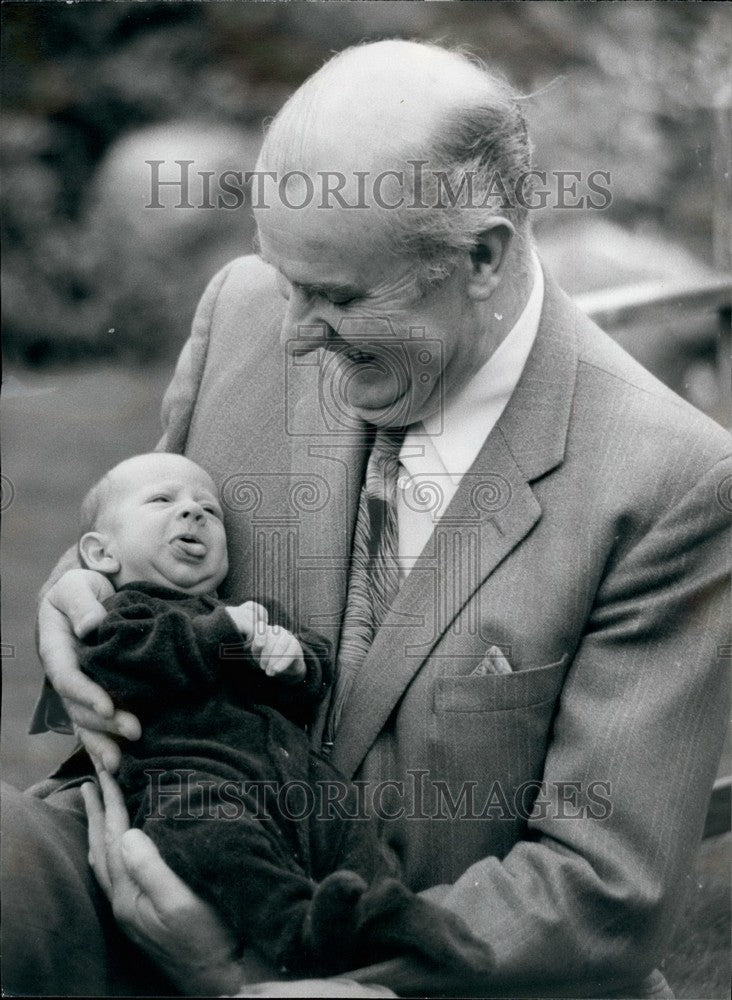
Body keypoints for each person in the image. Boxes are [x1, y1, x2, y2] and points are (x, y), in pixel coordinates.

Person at [3, 38, 730, 999]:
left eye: (339, 297)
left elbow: (599, 894)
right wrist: (77, 594)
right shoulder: (246, 309)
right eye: (286, 280)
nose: (295, 331)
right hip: (143, 862)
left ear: (482, 256)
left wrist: (248, 975)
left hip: (403, 972)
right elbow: (158, 541)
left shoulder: (672, 481)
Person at [72, 451, 494, 980]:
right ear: (101, 552)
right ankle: (296, 930)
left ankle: (383, 915)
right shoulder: (125, 616)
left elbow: (314, 677)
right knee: (221, 842)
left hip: (296, 779)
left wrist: (294, 661)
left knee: (349, 827)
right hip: (195, 783)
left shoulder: (253, 613)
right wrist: (226, 632)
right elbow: (126, 663)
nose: (193, 513)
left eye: (209, 509)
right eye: (163, 501)